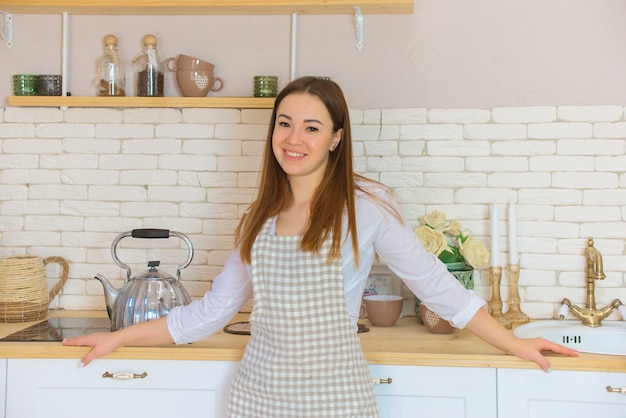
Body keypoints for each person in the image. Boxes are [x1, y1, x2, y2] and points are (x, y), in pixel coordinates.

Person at [63, 76, 578, 417]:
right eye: (284, 123)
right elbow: (211, 313)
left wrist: (516, 344)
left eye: (312, 127)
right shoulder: (256, 220)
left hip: (338, 399)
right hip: (259, 398)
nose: (294, 138)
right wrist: (121, 338)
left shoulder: (366, 210)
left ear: (335, 137)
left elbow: (438, 288)